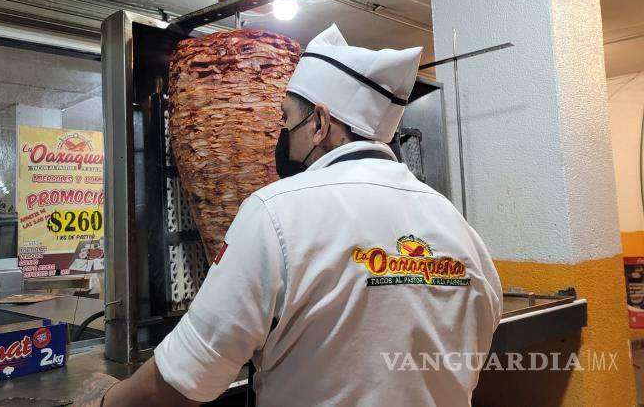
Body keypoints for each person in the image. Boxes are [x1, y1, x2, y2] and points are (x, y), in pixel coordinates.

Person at [75, 24, 502, 407]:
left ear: (320, 122)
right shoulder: (459, 228)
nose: (279, 135)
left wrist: (105, 401)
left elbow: (181, 382)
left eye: (285, 119)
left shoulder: (276, 212)